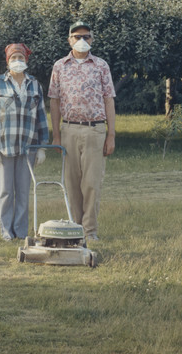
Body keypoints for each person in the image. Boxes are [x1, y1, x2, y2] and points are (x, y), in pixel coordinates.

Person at [49, 21, 116, 241]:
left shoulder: (101, 66)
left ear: (92, 39)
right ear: (69, 40)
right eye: (77, 36)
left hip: (95, 130)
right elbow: (55, 101)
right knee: (72, 183)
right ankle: (75, 230)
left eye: (86, 36)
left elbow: (108, 100)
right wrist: (56, 134)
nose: (82, 40)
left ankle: (90, 232)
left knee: (92, 184)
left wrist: (111, 134)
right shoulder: (60, 66)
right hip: (69, 130)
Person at [0, 43, 49, 241]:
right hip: (4, 147)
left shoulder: (34, 84)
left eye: (20, 58)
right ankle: (6, 232)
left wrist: (41, 148)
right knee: (5, 192)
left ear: (26, 61)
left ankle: (21, 232)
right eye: (13, 58)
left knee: (22, 191)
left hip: (28, 146)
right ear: (7, 61)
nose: (17, 62)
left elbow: (41, 117)